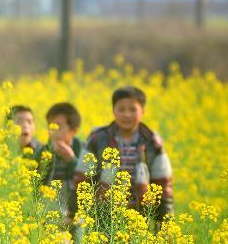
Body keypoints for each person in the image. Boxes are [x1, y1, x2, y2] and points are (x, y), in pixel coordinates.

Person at [72, 86, 173, 230]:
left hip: (140, 217)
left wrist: (165, 225)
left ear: (143, 111)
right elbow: (82, 179)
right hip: (103, 216)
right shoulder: (97, 139)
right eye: (121, 109)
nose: (127, 115)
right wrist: (81, 215)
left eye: (133, 110)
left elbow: (164, 186)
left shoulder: (152, 143)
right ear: (113, 111)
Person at [37, 102, 85, 239]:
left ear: (73, 130)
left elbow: (89, 178)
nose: (52, 131)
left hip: (76, 214)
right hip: (50, 214)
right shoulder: (43, 151)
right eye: (50, 126)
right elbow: (33, 179)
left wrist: (71, 159)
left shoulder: (82, 149)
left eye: (57, 126)